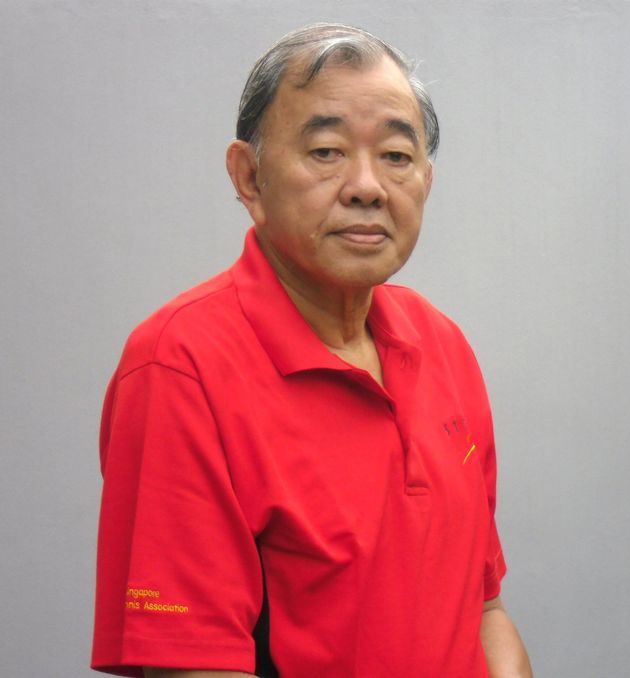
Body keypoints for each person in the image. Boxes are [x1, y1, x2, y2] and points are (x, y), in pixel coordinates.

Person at [91, 23, 532, 678]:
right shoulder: (181, 364)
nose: (367, 186)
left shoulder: (442, 344)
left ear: (427, 181)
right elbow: (194, 664)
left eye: (396, 156)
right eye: (326, 151)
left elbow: (484, 609)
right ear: (249, 177)